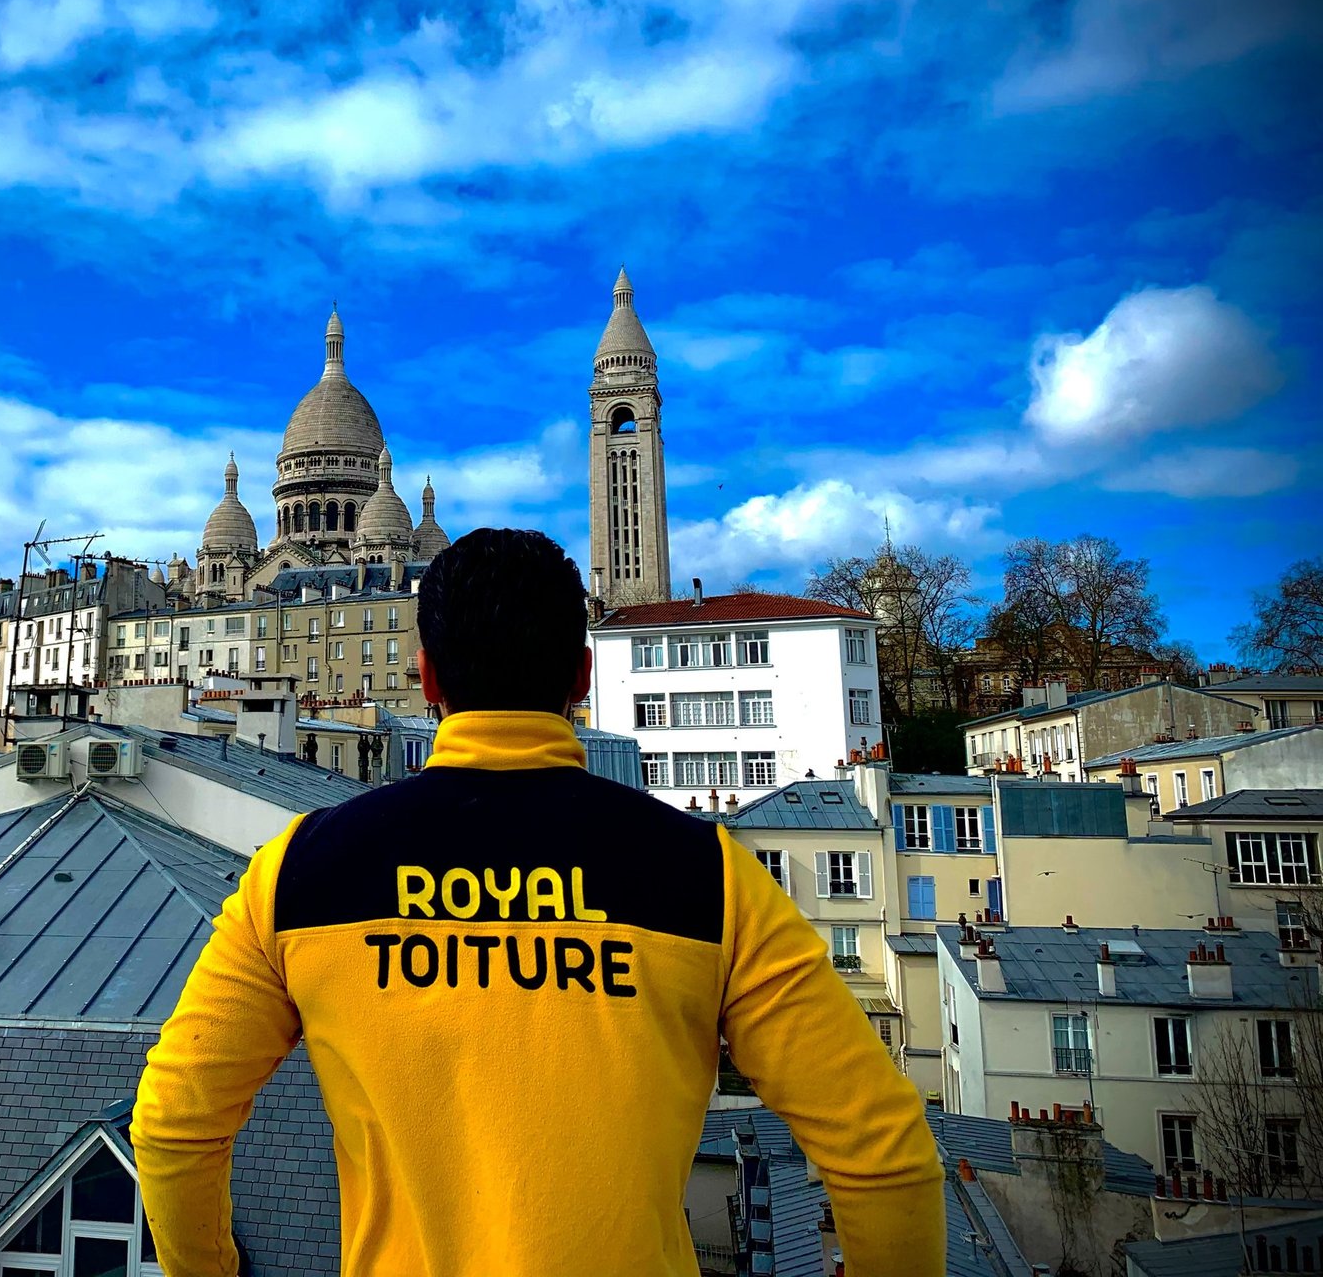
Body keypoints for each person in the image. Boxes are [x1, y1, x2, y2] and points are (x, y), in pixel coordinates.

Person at [133, 528, 945, 1276]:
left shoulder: (299, 872)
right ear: (582, 676)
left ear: (427, 676)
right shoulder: (711, 876)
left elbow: (173, 1122)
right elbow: (885, 1156)